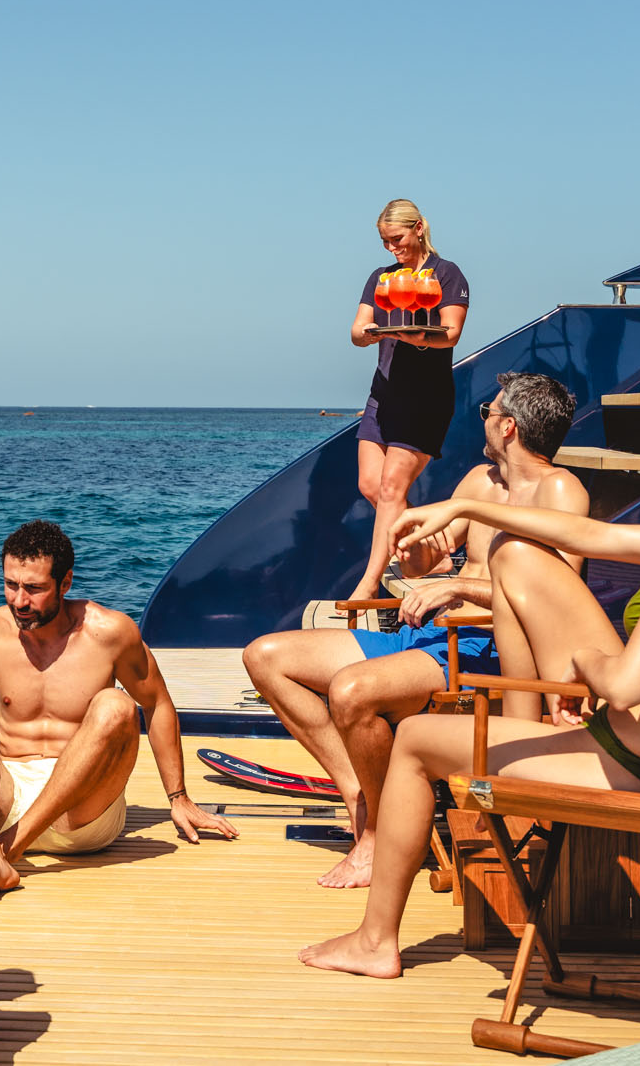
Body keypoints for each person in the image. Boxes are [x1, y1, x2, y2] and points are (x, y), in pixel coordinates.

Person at [299, 366, 640, 978]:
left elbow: (625, 684)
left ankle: (375, 941)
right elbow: (591, 537)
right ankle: (527, 719)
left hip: (636, 758)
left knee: (413, 740)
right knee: (517, 556)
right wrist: (462, 505)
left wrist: (585, 669)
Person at [241, 372, 584, 888]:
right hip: (431, 636)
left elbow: (560, 599)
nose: (484, 420)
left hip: (486, 647)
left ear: (509, 427)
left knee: (351, 692)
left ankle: (379, 836)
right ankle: (364, 794)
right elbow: (429, 562)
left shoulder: (560, 490)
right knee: (266, 657)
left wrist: (458, 588)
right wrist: (414, 547)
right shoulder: (480, 482)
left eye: (488, 412)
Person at [0, 520, 240, 901]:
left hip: (83, 814)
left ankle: (2, 853)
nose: (19, 601)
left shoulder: (108, 632)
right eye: (11, 585)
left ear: (65, 583)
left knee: (115, 704)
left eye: (34, 588)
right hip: (6, 800)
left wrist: (178, 796)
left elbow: (157, 703)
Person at [346, 198, 470, 603]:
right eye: (385, 242)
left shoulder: (446, 274)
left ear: (418, 228)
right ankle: (433, 550)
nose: (391, 248)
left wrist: (414, 337)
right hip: (383, 396)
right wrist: (369, 334)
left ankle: (369, 584)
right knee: (370, 485)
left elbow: (450, 334)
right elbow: (357, 332)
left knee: (390, 489)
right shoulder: (382, 278)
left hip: (425, 400)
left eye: (396, 239)